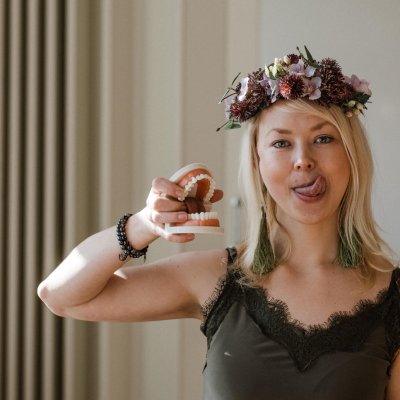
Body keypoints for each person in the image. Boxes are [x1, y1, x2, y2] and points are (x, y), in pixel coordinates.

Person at [38, 46, 400, 399]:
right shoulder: (216, 279)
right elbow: (61, 296)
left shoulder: (394, 296)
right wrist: (144, 224)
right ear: (257, 163)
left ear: (351, 155)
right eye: (281, 143)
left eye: (323, 138)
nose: (303, 160)